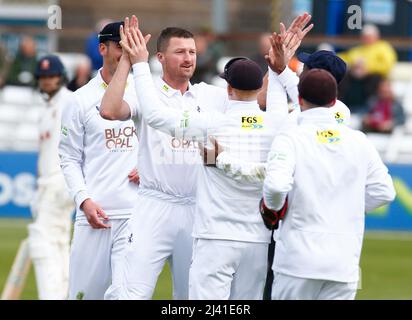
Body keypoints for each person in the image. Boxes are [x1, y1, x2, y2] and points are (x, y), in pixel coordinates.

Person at [120, 18, 290, 298]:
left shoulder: (210, 122)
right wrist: (282, 68)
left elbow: (153, 116)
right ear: (260, 89)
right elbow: (285, 100)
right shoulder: (277, 123)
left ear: (228, 89)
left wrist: (139, 63)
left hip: (215, 236)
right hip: (256, 241)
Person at [100, 16, 229, 300]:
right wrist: (129, 61)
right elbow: (109, 111)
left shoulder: (212, 96)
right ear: (160, 57)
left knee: (192, 297)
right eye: (180, 52)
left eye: (192, 52)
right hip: (154, 206)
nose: (188, 58)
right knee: (130, 294)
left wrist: (281, 68)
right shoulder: (146, 91)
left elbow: (255, 102)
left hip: (198, 209)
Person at [262, 68, 396, 300]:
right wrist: (349, 206)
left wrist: (272, 209)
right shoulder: (358, 140)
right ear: (334, 101)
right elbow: (384, 192)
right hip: (343, 263)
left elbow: (275, 187)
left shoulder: (291, 138)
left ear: (300, 100)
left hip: (297, 261)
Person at [58, 21, 139, 300]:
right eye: (120, 46)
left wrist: (150, 166)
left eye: (131, 46)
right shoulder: (79, 100)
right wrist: (84, 200)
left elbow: (163, 144)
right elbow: (68, 157)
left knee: (125, 296)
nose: (126, 53)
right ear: (102, 48)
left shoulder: (144, 93)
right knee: (83, 296)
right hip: (95, 217)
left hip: (135, 216)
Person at [27, 55, 75, 300]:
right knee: (57, 243)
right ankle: (63, 294)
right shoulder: (46, 109)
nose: (47, 81)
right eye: (43, 77)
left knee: (40, 240)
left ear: (62, 76)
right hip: (49, 182)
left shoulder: (69, 101)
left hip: (60, 180)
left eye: (52, 76)